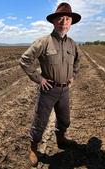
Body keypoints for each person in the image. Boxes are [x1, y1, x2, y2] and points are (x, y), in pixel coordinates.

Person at [19, 2, 82, 167]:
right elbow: (25, 60)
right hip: (48, 90)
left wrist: (73, 76)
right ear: (54, 22)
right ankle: (33, 148)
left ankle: (61, 139)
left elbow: (77, 61)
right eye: (60, 19)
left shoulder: (72, 44)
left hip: (65, 90)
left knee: (65, 120)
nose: (63, 22)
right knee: (40, 122)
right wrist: (39, 79)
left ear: (71, 23)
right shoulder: (44, 42)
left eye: (67, 19)